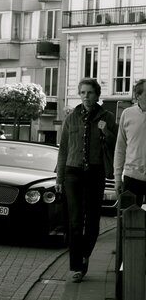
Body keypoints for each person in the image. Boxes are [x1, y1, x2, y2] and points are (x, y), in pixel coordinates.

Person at [55, 78, 117, 283]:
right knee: (74, 220)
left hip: (95, 172)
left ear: (97, 95)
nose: (86, 96)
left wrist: (105, 131)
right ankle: (77, 267)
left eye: (89, 93)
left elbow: (115, 145)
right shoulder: (71, 118)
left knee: (91, 221)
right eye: (82, 92)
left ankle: (85, 254)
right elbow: (63, 149)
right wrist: (60, 177)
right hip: (73, 172)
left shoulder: (107, 117)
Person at [114, 79, 146, 206]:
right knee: (129, 221)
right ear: (138, 96)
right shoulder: (127, 114)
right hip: (132, 178)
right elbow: (120, 147)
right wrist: (117, 178)